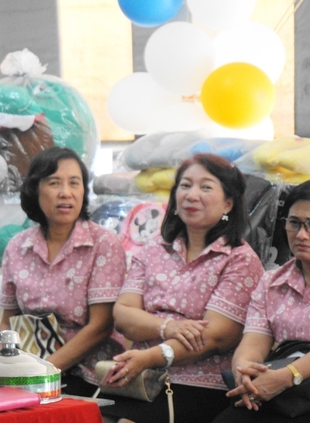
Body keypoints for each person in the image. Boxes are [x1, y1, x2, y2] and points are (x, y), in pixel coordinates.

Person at [99, 153, 264, 423]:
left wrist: (149, 355)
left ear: (228, 203)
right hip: (138, 378)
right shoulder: (154, 247)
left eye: (206, 187)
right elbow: (123, 315)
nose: (191, 195)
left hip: (197, 384)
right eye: (185, 185)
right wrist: (168, 327)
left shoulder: (240, 260)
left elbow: (214, 337)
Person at [0, 146, 126, 396]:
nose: (65, 193)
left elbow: (101, 326)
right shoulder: (17, 246)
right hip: (29, 368)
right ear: (35, 190)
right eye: (54, 183)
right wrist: (8, 364)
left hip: (88, 374)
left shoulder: (103, 244)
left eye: (74, 183)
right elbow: (7, 320)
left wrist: (42, 372)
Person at [211, 180, 310, 423]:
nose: (301, 235)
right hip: (286, 393)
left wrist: (289, 375)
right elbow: (253, 343)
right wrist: (244, 371)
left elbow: (286, 377)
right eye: (294, 223)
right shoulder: (271, 282)